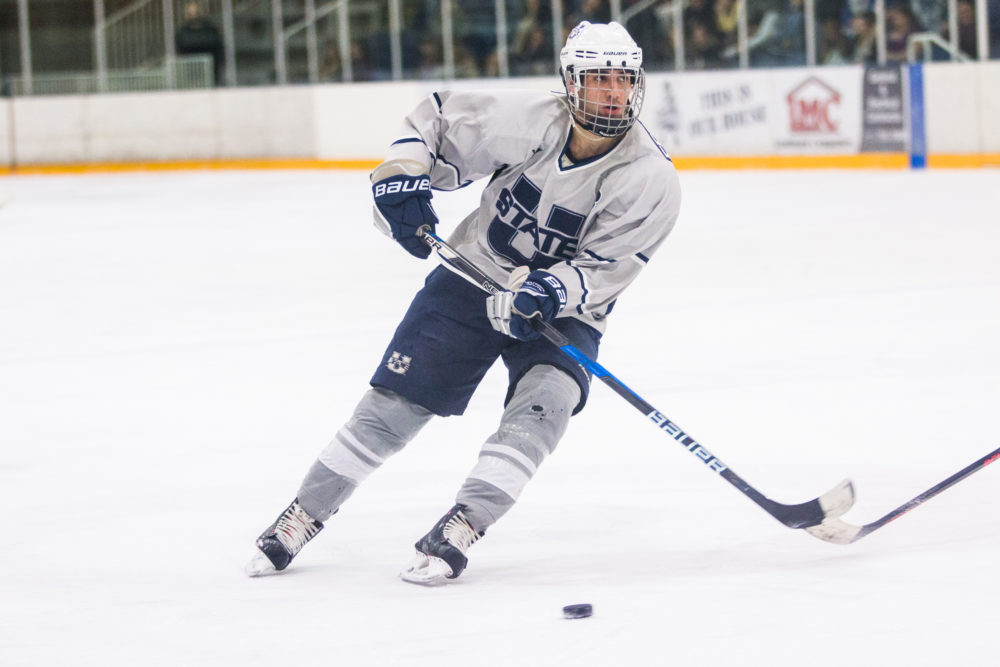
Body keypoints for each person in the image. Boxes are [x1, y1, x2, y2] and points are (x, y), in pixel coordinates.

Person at [245, 21, 681, 585]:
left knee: (543, 407)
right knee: (393, 407)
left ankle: (463, 525)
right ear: (571, 83)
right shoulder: (529, 120)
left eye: (624, 80)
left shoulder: (651, 177)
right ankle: (304, 513)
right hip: (474, 275)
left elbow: (609, 268)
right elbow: (437, 118)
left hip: (565, 310)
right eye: (599, 79)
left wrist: (551, 291)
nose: (614, 93)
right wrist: (401, 176)